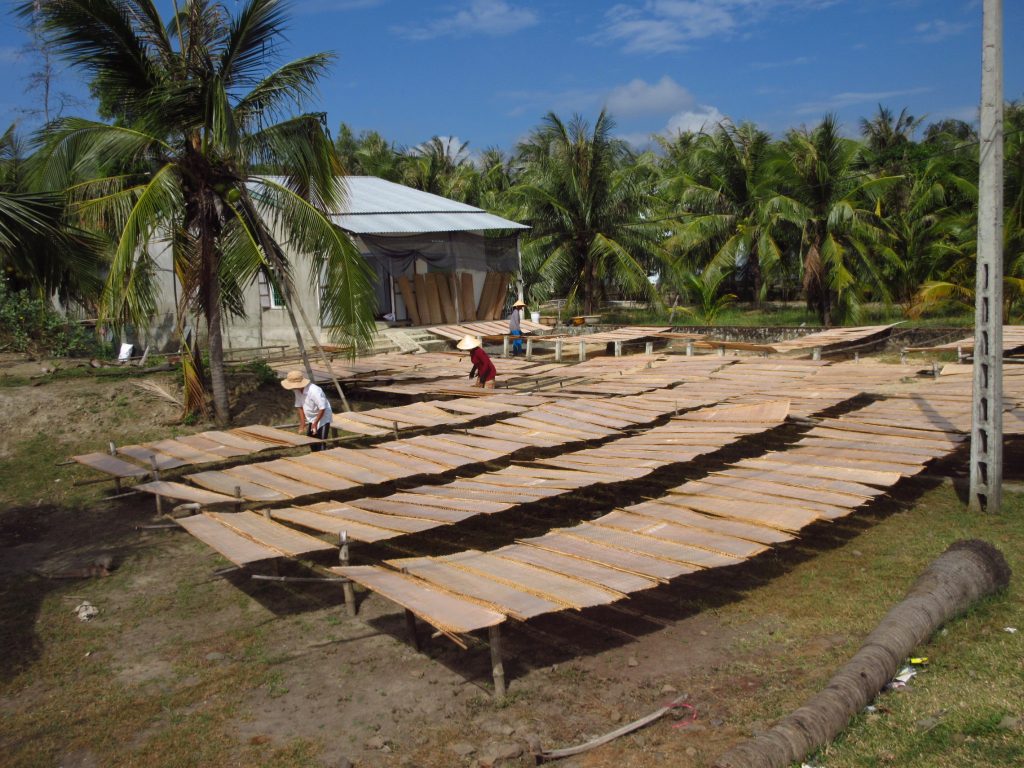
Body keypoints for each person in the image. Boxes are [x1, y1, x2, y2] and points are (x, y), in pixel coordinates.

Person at [280, 370, 332, 451]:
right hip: (311, 416)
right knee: (311, 440)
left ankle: (322, 455)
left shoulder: (314, 391)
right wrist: (302, 423)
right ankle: (315, 455)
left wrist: (315, 423)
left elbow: (322, 408)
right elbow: (299, 406)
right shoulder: (297, 390)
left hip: (323, 417)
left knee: (321, 442)